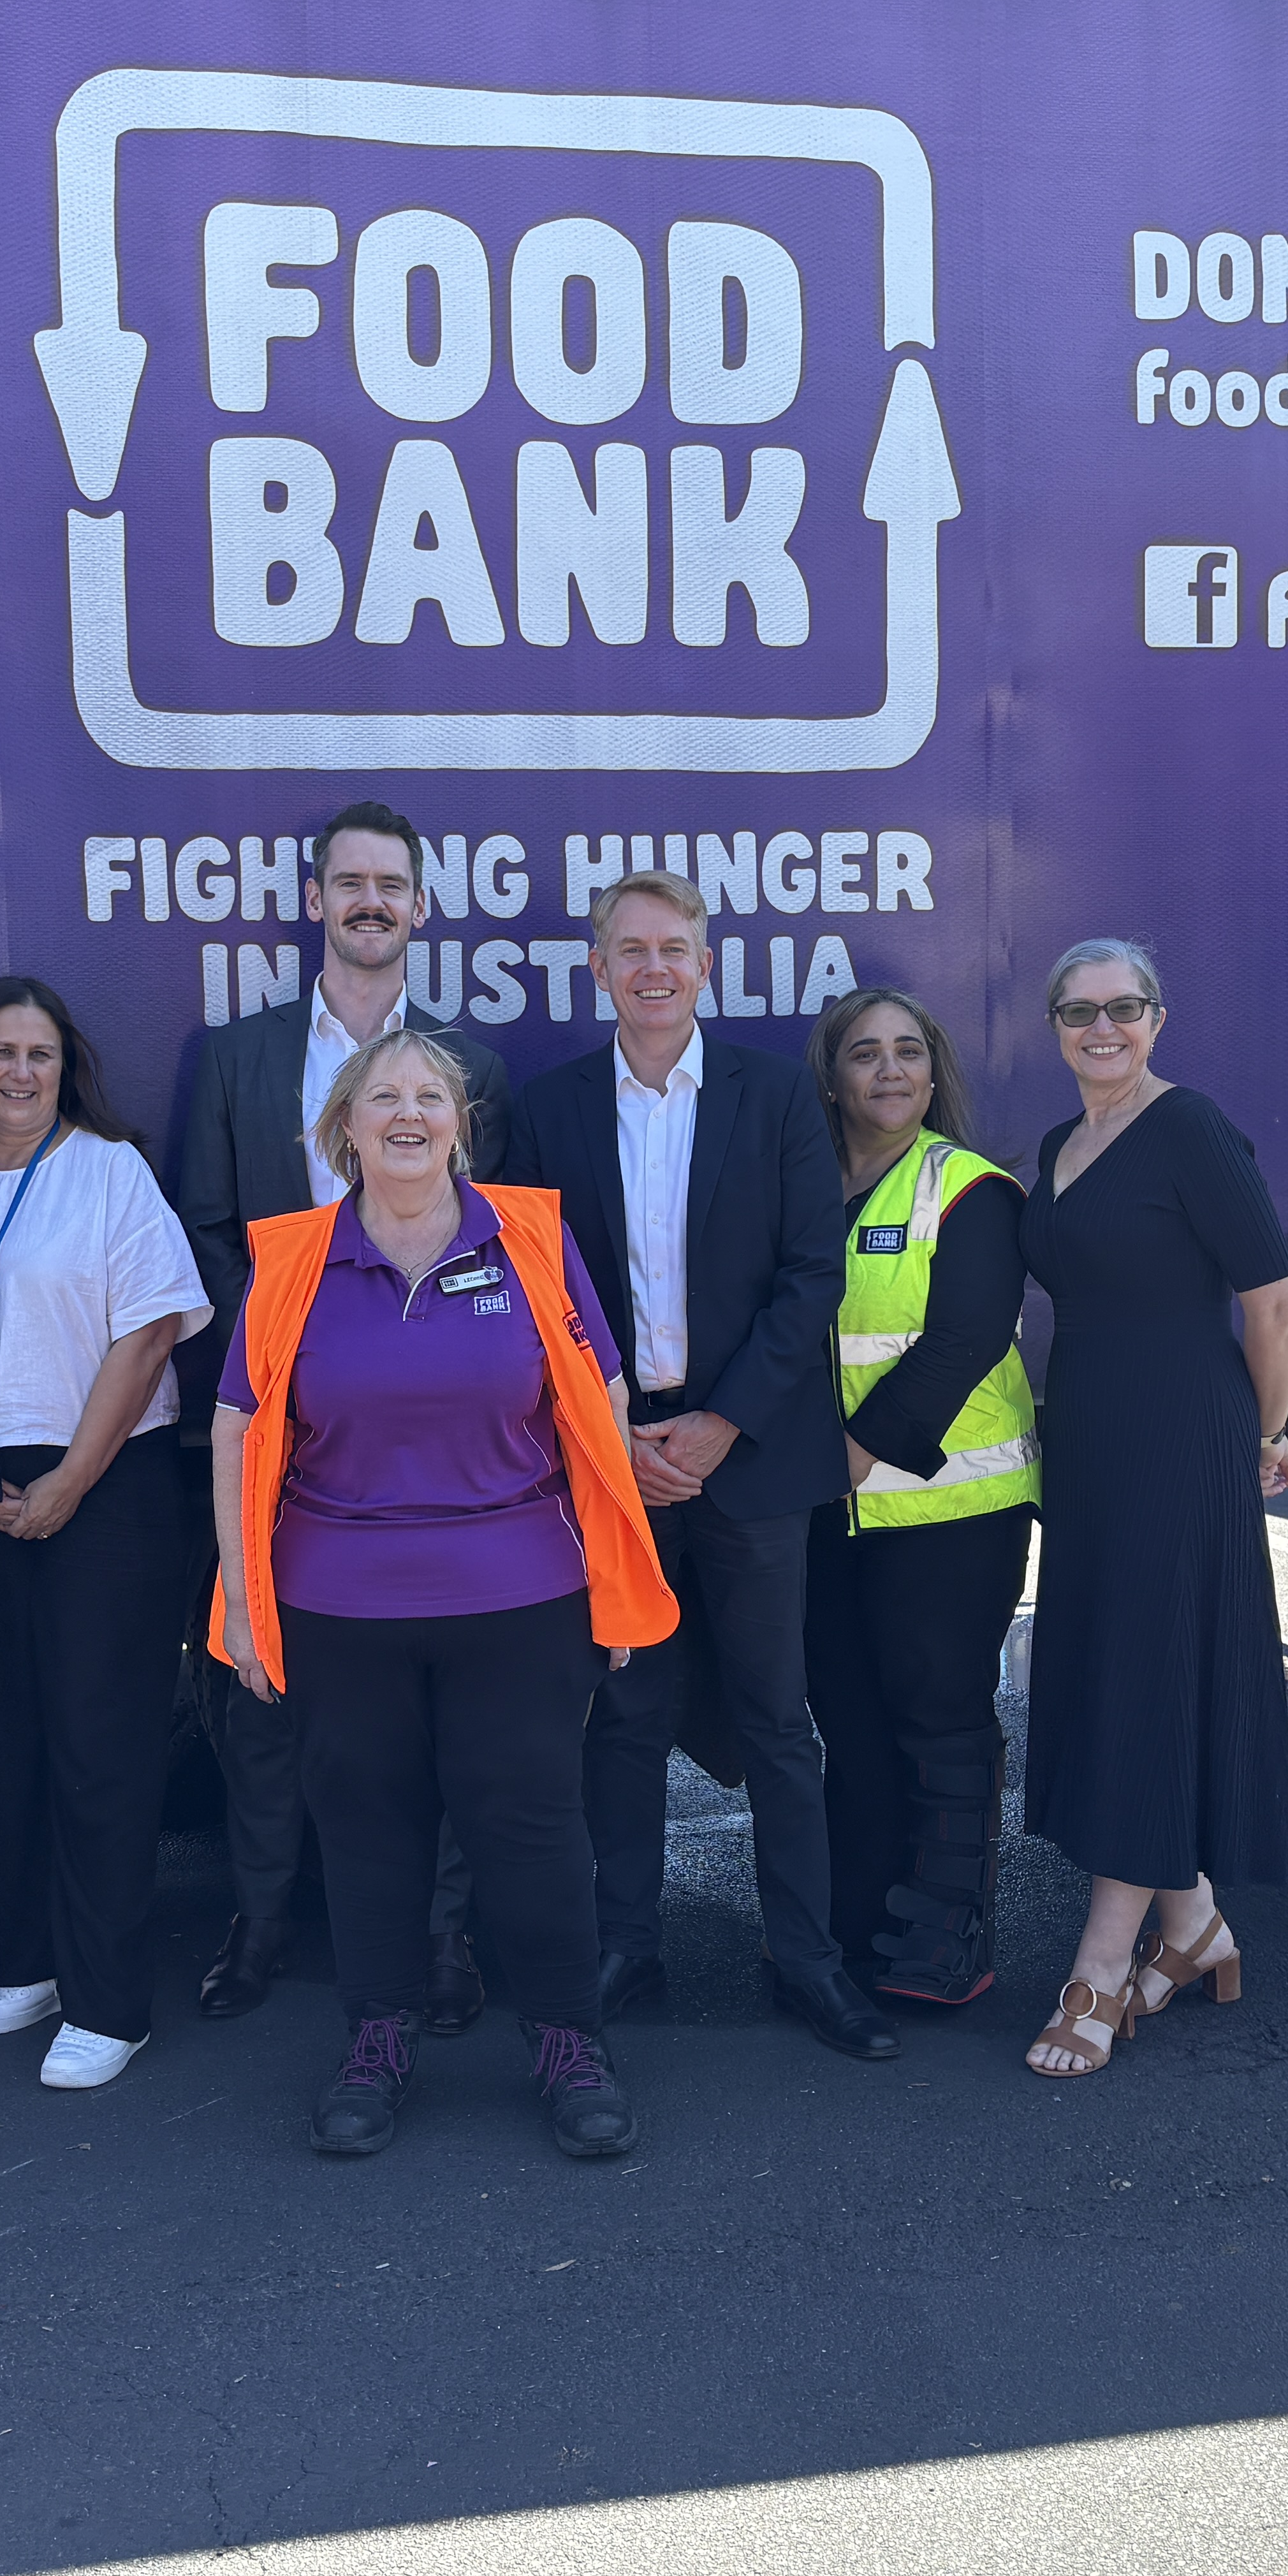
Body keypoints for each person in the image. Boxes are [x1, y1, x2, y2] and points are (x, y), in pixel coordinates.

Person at [210, 1030, 671, 2159]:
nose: (408, 1114)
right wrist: (243, 1605)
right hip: (338, 1605)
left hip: (522, 1597)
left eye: (430, 1096)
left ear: (462, 1124)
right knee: (367, 1831)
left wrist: (615, 1581)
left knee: (534, 1827)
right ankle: (377, 2039)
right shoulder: (293, 1260)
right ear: (345, 1129)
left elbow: (602, 1407)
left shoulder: (530, 1241)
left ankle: (567, 2042)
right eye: (384, 1097)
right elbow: (235, 1429)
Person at [502, 871, 902, 2063]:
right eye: (631, 951)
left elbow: (812, 1276)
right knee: (624, 1715)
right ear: (598, 970)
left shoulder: (773, 1096)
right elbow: (534, 1288)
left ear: (706, 966)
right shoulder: (551, 1108)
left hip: (751, 1452)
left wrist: (724, 1420)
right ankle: (627, 1945)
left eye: (674, 948)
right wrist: (612, 1431)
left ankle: (808, 1960)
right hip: (616, 1454)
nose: (654, 969)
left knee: (777, 1717)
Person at [175, 798, 514, 2033]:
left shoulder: (470, 1068)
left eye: (392, 885)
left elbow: (501, 1249)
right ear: (315, 902)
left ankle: (444, 1938)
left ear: (421, 907)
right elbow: (206, 1228)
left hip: (440, 1435)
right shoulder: (236, 1058)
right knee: (262, 1681)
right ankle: (261, 1921)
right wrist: (291, 1356)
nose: (372, 902)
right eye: (350, 883)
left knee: (445, 1692)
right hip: (279, 1424)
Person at [0, 977, 210, 2091]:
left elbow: (152, 1330)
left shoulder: (110, 1172)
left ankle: (109, 2002)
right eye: (1, 1052)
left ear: (66, 1068)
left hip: (107, 1484)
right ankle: (27, 1959)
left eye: (41, 1054)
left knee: (98, 1745)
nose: (20, 1072)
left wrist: (75, 1475)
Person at [1013, 937, 1288, 2080]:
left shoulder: (1190, 1130)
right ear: (1055, 1027)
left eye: (1124, 1008)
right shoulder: (1061, 1145)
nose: (1103, 1028)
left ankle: (1100, 1964)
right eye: (1079, 1011)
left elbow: (1272, 1301)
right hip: (1093, 1441)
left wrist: (1265, 1435)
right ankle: (1195, 1929)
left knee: (1143, 1677)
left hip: (1182, 1434)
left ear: (1158, 1020)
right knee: (1118, 1666)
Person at [801, 988, 1040, 2007]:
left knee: (940, 1720)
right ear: (832, 1079)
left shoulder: (969, 1188)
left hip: (951, 1514)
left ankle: (949, 1941)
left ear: (934, 1074)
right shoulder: (804, 1184)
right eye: (865, 1053)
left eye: (908, 1051)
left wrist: (856, 1452)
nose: (890, 1069)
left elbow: (962, 1342)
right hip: (832, 1514)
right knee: (850, 1725)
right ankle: (856, 1933)